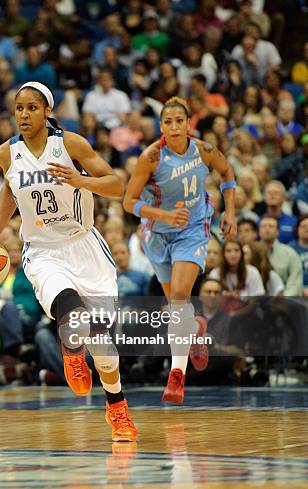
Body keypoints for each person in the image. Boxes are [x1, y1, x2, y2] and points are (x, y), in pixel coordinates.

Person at [0, 81, 137, 442]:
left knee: (107, 356)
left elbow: (116, 185)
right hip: (43, 250)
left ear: (47, 111)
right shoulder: (6, 153)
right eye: (19, 108)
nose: (24, 114)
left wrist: (81, 180)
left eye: (32, 108)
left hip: (85, 246)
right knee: (71, 312)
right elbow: (9, 190)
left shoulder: (71, 144)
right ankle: (71, 349)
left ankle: (116, 405)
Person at [123, 96, 237, 405]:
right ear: (161, 126)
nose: (174, 127)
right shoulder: (151, 157)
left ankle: (176, 376)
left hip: (192, 227)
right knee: (179, 309)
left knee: (179, 298)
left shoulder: (203, 150)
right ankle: (195, 329)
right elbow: (128, 202)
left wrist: (230, 212)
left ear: (188, 124)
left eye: (180, 121)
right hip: (158, 234)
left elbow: (227, 175)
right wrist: (163, 216)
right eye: (168, 122)